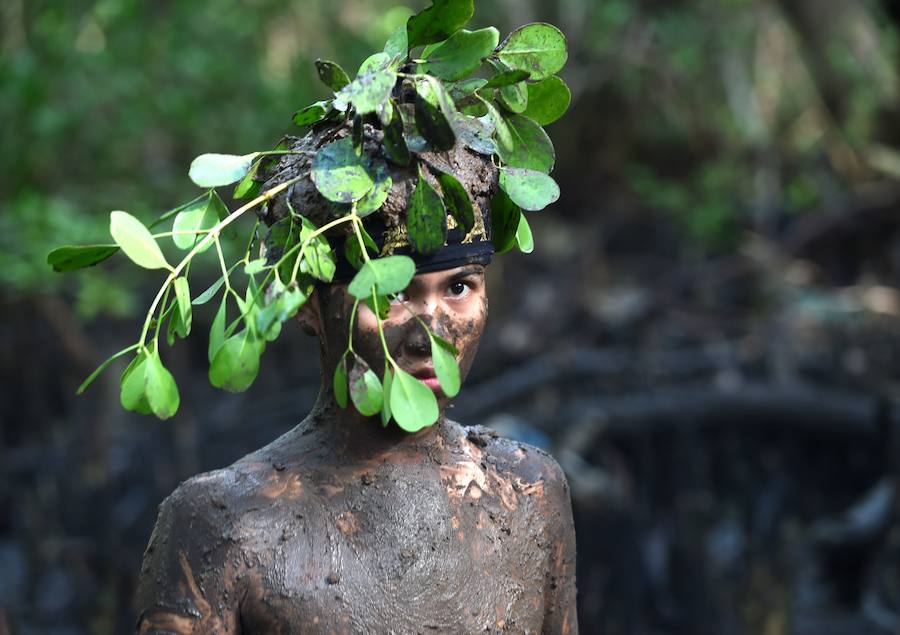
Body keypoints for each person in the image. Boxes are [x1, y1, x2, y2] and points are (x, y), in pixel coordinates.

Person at [134, 136, 578, 633]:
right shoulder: (223, 525)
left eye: (458, 288)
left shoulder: (527, 493)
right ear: (307, 304)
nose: (430, 335)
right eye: (389, 294)